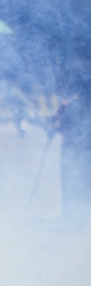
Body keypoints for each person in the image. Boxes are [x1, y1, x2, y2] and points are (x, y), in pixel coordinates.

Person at [55, 64, 91, 230]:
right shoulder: (71, 105)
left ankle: (72, 216)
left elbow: (61, 126)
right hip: (82, 150)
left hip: (72, 150)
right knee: (83, 183)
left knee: (71, 183)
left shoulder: (71, 105)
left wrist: (54, 127)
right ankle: (79, 216)